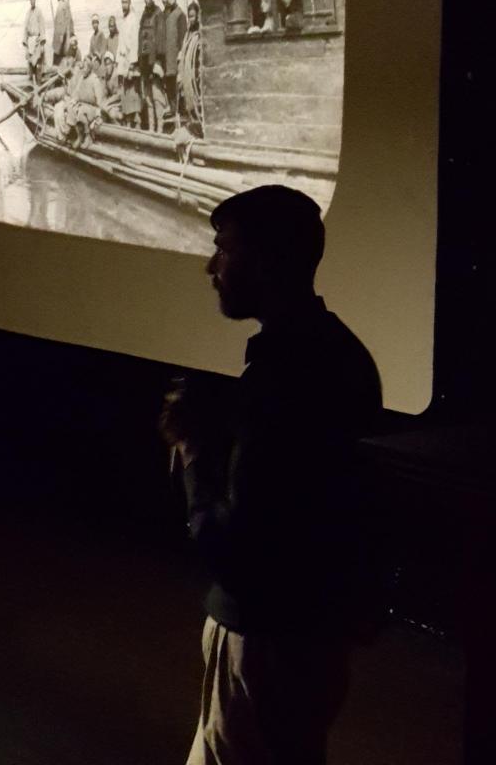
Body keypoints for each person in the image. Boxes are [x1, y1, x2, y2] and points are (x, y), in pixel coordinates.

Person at [159, 185, 383, 765]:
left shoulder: (281, 380)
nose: (211, 266)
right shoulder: (344, 355)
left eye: (223, 249)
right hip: (312, 634)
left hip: (265, 636)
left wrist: (194, 451)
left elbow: (239, 548)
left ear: (265, 261)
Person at [138, 0, 166, 132]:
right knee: (148, 99)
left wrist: (158, 62)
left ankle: (160, 130)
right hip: (144, 65)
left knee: (157, 98)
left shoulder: (158, 13)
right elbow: (140, 38)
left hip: (154, 63)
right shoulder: (143, 15)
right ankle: (151, 128)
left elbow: (160, 40)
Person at [163, 0, 187, 118]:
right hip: (167, 62)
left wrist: (180, 62)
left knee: (179, 92)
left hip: (176, 62)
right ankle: (173, 113)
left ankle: (181, 116)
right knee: (170, 90)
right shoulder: (166, 14)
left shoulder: (180, 15)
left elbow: (182, 41)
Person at [22, 0, 46, 88]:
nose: (32, 1)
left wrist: (42, 42)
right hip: (30, 41)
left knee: (39, 65)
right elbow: (25, 29)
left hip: (37, 41)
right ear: (29, 1)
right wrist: (25, 44)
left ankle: (39, 85)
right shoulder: (28, 13)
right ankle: (31, 86)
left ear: (35, 0)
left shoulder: (39, 11)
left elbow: (42, 26)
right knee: (30, 64)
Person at [52, 0, 75, 66]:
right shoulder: (66, 4)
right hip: (66, 38)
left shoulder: (60, 6)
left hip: (61, 40)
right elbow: (70, 21)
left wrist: (61, 39)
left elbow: (61, 24)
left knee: (57, 61)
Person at [99, 51, 123, 124]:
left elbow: (119, 95)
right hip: (112, 103)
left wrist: (107, 102)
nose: (107, 67)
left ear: (113, 64)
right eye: (106, 64)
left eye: (109, 64)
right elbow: (105, 92)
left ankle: (119, 129)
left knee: (111, 113)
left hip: (120, 104)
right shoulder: (107, 76)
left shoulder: (117, 75)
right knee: (100, 110)